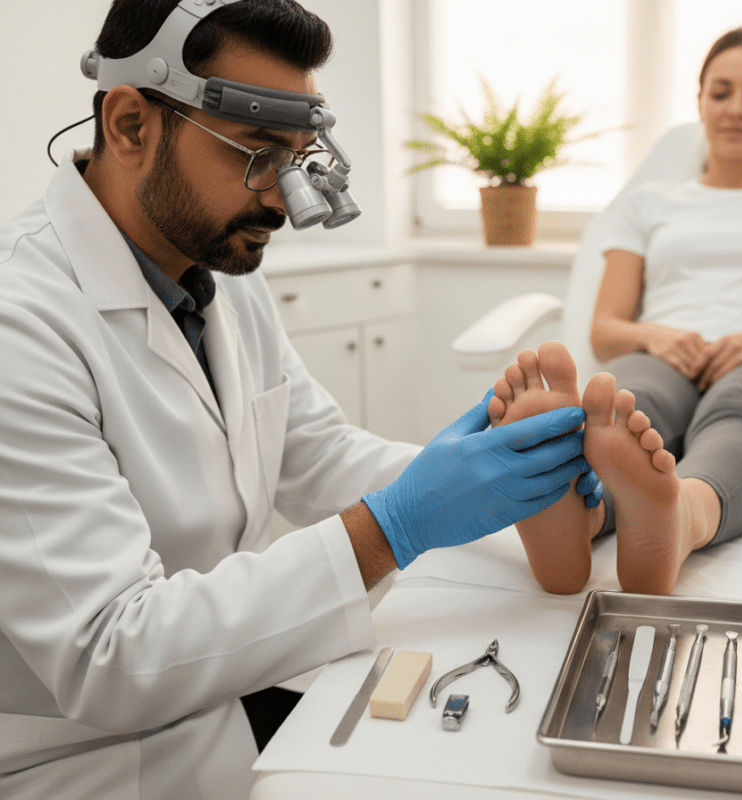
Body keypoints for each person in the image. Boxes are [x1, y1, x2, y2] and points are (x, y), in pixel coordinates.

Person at [0, 2, 595, 798]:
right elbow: (113, 652)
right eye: (256, 153)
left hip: (219, 694)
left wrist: (479, 481)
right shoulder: (21, 325)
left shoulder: (213, 271)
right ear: (131, 123)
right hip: (89, 759)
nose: (284, 197)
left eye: (298, 157)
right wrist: (399, 522)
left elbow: (314, 453)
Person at [488, 28, 742, 596]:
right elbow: (605, 327)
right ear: (700, 103)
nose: (737, 109)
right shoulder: (649, 204)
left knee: (737, 405)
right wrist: (655, 336)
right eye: (721, 93)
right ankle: (582, 518)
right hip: (667, 357)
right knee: (627, 408)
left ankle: (683, 517)